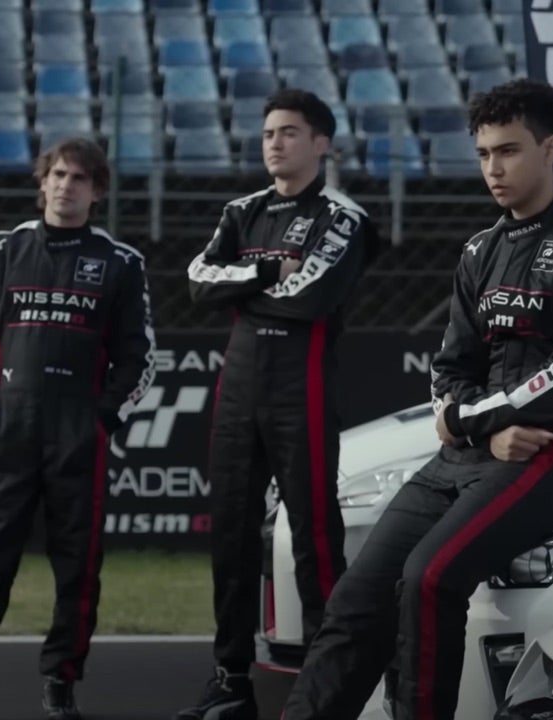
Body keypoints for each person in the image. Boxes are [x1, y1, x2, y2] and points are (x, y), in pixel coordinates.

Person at [284, 78, 553, 720]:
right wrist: (478, 430)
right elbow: (450, 367)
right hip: (479, 452)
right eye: (484, 154)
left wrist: (463, 421)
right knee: (356, 598)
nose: (493, 168)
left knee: (429, 580)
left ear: (551, 148)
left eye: (508, 151)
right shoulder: (480, 250)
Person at [0, 138, 157, 720]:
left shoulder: (121, 262)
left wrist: (103, 420)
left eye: (79, 178)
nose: (66, 186)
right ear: (41, 182)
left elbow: (140, 356)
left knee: (78, 570)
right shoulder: (0, 250)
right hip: (9, 431)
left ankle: (60, 687)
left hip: (80, 433)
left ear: (97, 192)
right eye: (58, 175)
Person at [177, 88, 379, 720]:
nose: (275, 143)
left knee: (316, 537)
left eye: (289, 132)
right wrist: (266, 274)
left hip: (302, 388)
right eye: (268, 133)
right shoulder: (241, 211)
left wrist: (242, 286)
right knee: (231, 537)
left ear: (321, 143)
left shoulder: (344, 217)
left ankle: (326, 685)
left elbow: (311, 298)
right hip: (239, 387)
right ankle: (229, 679)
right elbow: (196, 283)